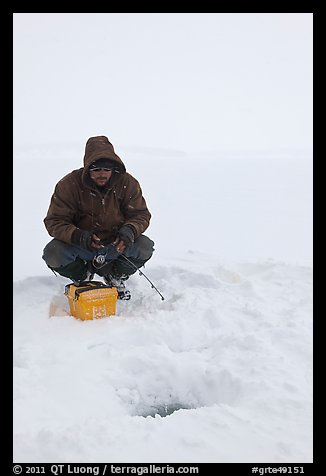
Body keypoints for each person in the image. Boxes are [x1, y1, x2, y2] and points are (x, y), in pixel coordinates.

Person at [42, 135, 154, 299]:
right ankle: (83, 276)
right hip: (82, 247)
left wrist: (129, 231)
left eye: (106, 170)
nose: (102, 174)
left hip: (116, 246)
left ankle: (115, 275)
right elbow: (54, 221)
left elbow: (140, 214)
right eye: (96, 170)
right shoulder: (68, 185)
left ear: (113, 169)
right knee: (53, 252)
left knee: (144, 246)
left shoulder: (128, 183)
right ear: (87, 168)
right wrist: (79, 236)